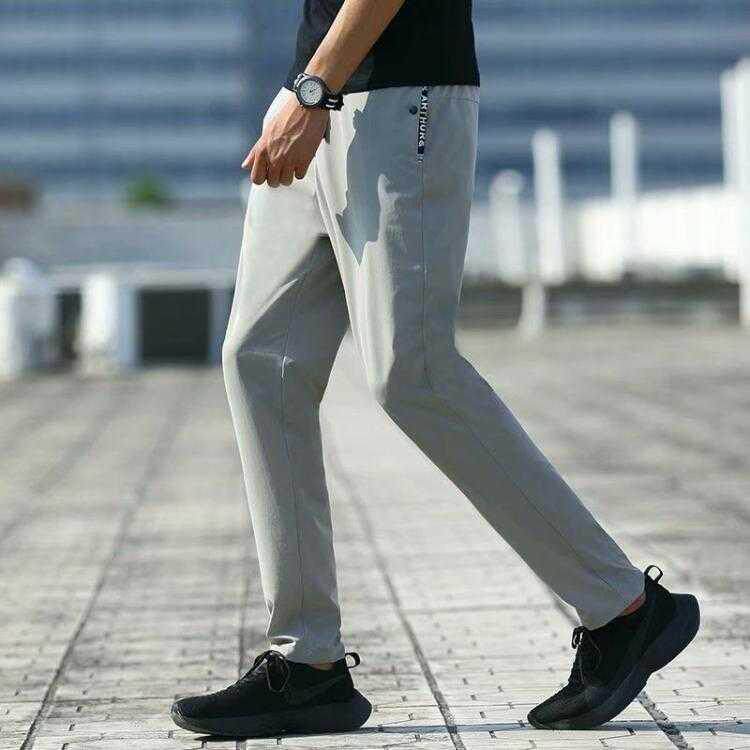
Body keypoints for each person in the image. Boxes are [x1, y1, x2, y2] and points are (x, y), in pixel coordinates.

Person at [170, 0, 700, 738]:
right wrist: (305, 90)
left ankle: (624, 608)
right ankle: (307, 663)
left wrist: (315, 90)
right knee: (261, 359)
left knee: (412, 370)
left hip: (397, 94)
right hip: (314, 94)